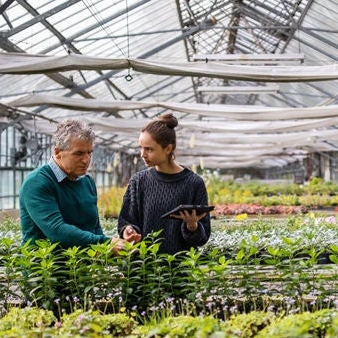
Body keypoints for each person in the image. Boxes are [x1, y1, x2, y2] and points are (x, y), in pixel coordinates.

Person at [20, 117, 129, 266]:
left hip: (81, 274)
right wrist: (107, 242)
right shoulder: (37, 182)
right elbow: (56, 230)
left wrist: (107, 252)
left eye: (89, 153)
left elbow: (95, 227)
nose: (86, 160)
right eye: (79, 153)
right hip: (45, 276)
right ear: (58, 152)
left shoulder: (87, 181)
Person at [117, 113, 211, 254]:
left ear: (168, 149)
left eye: (149, 149)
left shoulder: (193, 183)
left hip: (180, 268)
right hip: (143, 267)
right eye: (141, 148)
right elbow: (126, 221)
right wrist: (128, 231)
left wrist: (192, 226)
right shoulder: (138, 181)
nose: (142, 154)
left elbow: (202, 238)